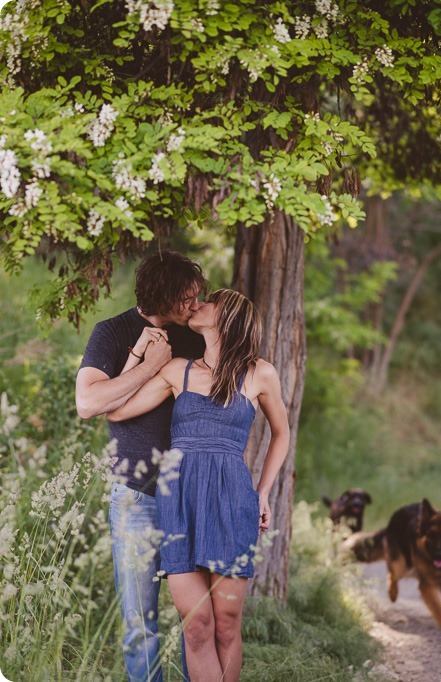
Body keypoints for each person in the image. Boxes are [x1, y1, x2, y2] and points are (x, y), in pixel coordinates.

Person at [107, 288, 290, 682]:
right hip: (180, 504)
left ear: (227, 318)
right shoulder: (178, 370)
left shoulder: (261, 373)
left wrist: (263, 492)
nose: (197, 304)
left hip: (232, 502)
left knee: (225, 623)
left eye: (209, 301)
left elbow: (282, 434)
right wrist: (137, 356)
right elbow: (118, 409)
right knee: (196, 626)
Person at [75, 251, 208, 682]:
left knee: (197, 619)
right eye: (186, 298)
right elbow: (89, 403)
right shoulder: (111, 332)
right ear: (162, 294)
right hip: (135, 496)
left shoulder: (198, 335)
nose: (193, 305)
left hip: (191, 494)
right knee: (139, 620)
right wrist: (149, 365)